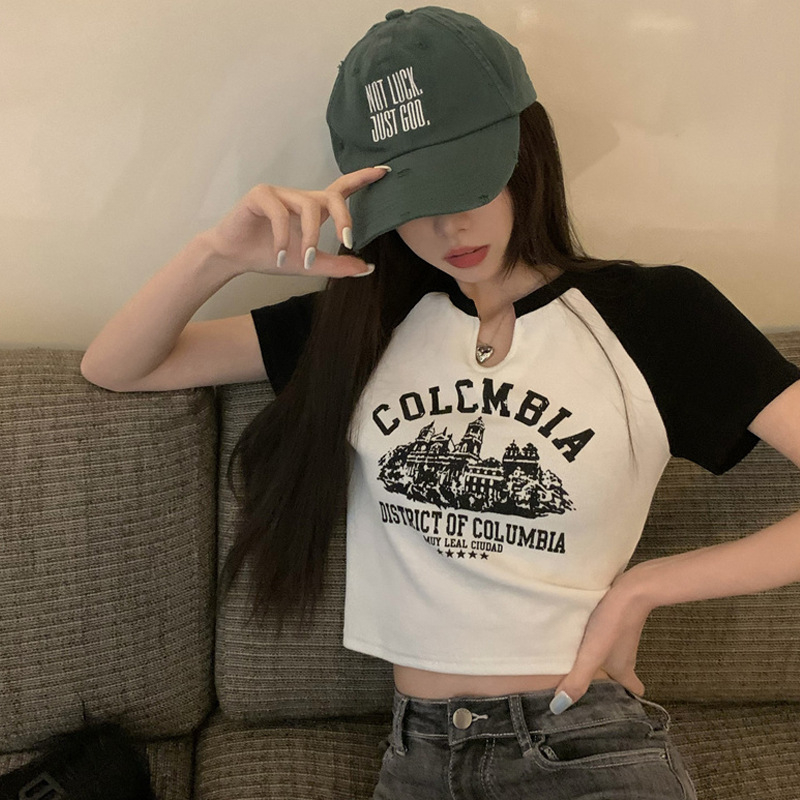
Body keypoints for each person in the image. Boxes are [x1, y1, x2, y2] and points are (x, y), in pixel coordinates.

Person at [81, 7, 800, 799]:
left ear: (525, 150)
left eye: (469, 181)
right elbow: (118, 366)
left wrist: (645, 587)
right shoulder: (362, 325)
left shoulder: (655, 314)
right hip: (418, 758)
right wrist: (218, 254)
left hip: (582, 746)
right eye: (411, 198)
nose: (448, 224)